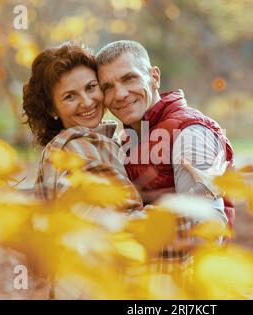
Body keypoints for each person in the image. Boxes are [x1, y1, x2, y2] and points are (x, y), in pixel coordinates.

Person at [96, 40, 235, 226]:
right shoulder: (128, 141)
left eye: (129, 78)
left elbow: (205, 231)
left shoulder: (190, 132)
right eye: (107, 87)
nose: (120, 94)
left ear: (154, 77)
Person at [22, 41, 141, 209]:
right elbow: (117, 222)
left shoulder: (98, 139)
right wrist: (184, 209)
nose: (86, 102)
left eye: (91, 87)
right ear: (52, 109)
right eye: (70, 96)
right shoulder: (77, 149)